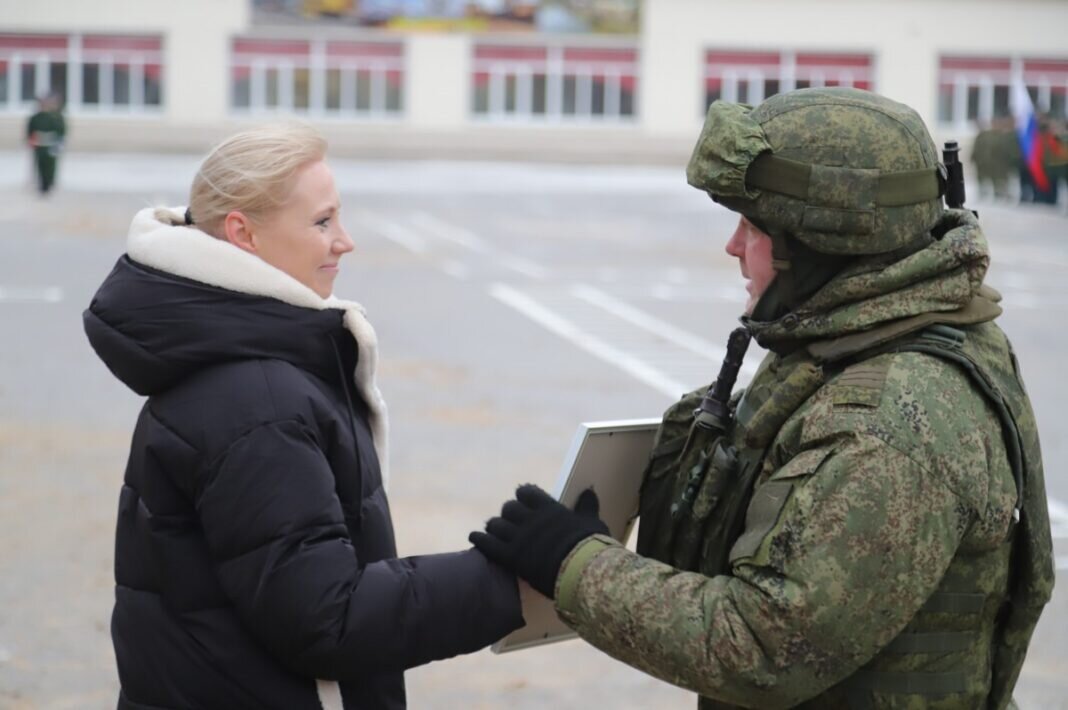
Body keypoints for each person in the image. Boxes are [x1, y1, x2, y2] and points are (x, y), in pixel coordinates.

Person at [473, 88, 1055, 708]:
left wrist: (573, 565)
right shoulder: (859, 338)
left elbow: (762, 647)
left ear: (819, 243)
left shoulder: (890, 426)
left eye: (751, 226)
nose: (732, 246)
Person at [83, 123, 523, 709]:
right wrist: (509, 578)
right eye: (322, 222)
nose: (345, 241)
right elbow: (326, 621)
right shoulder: (257, 403)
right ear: (243, 234)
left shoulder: (235, 362)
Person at [25, 91, 66, 195]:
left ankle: (49, 182)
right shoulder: (36, 117)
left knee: (50, 165)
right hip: (40, 144)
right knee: (40, 164)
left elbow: (60, 130)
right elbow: (30, 130)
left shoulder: (55, 117)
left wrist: (59, 142)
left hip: (51, 143)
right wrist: (31, 141)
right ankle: (42, 183)